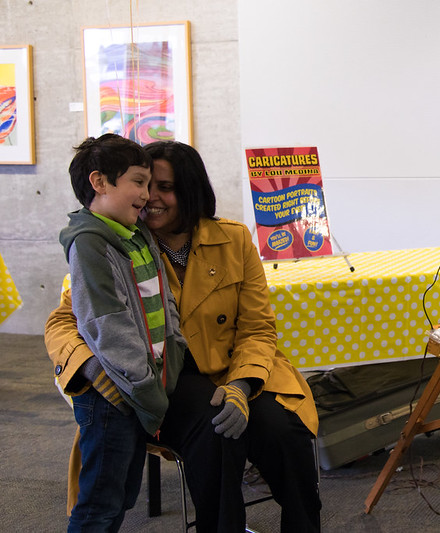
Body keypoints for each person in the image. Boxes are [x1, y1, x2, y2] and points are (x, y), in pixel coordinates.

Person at [46, 141, 321, 532]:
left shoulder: (234, 238)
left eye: (164, 187)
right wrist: (93, 369)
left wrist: (242, 385)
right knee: (216, 431)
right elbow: (64, 322)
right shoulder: (118, 239)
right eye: (143, 184)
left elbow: (258, 327)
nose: (149, 198)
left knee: (285, 431)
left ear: (190, 189)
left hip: (235, 370)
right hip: (166, 383)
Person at [55, 134, 186, 531]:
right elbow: (105, 323)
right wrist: (146, 389)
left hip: (139, 391)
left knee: (123, 495)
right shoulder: (91, 243)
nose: (147, 195)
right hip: (114, 397)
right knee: (100, 504)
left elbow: (165, 303)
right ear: (99, 182)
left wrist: (173, 356)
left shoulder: (136, 234)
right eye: (138, 182)